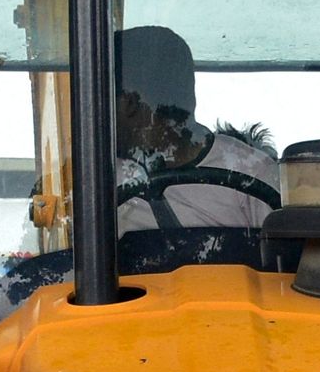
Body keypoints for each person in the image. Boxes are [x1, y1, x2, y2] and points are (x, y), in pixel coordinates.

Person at [114, 25, 282, 247]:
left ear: (129, 103)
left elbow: (284, 269)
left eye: (101, 97)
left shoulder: (253, 173)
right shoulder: (100, 180)